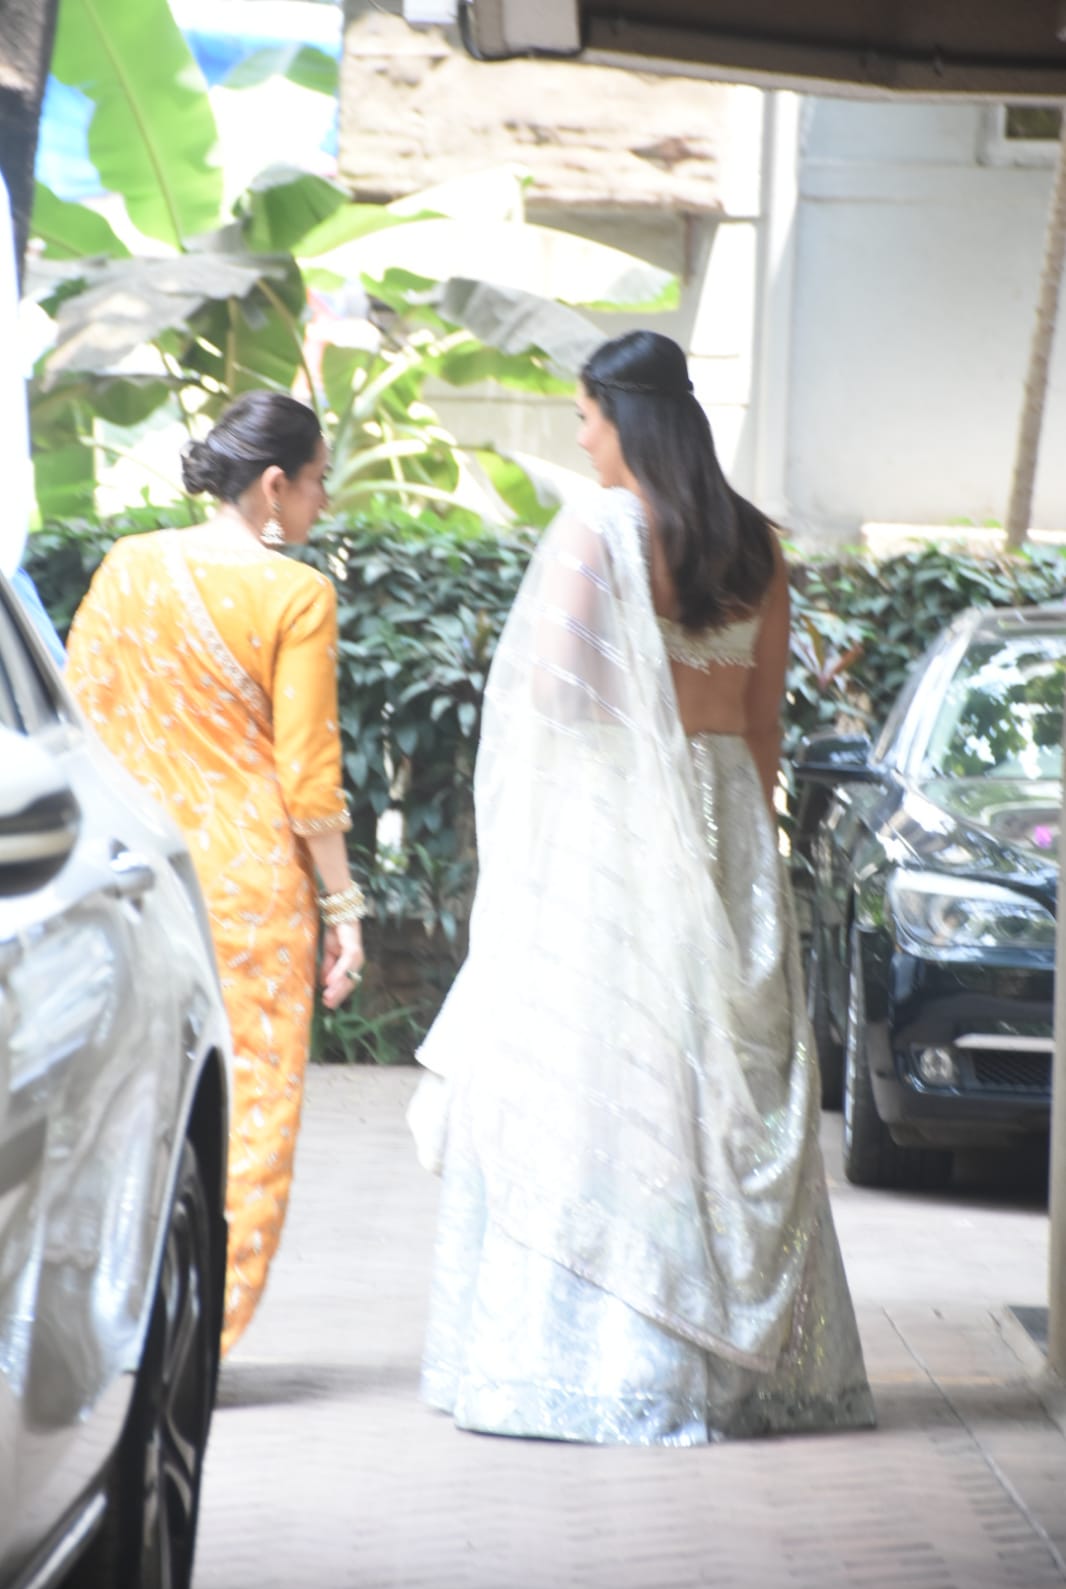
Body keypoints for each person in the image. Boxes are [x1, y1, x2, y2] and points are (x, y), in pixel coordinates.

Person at [409, 331, 875, 1445]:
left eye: (583, 416)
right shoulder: (758, 542)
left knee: (612, 1082)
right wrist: (732, 853)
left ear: (624, 418)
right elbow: (761, 728)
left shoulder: (600, 529)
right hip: (728, 829)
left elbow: (558, 704)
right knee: (724, 1085)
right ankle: (743, 1371)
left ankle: (618, 1355)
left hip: (618, 829)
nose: (579, 437)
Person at [65, 391, 365, 1356]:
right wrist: (346, 905)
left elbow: (81, 724)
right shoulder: (295, 595)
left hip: (134, 880)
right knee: (246, 1113)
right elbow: (309, 779)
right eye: (318, 483)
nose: (322, 503)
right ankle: (196, 1333)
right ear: (274, 485)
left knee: (128, 1099)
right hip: (247, 898)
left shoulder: (127, 568)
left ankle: (111, 1320)